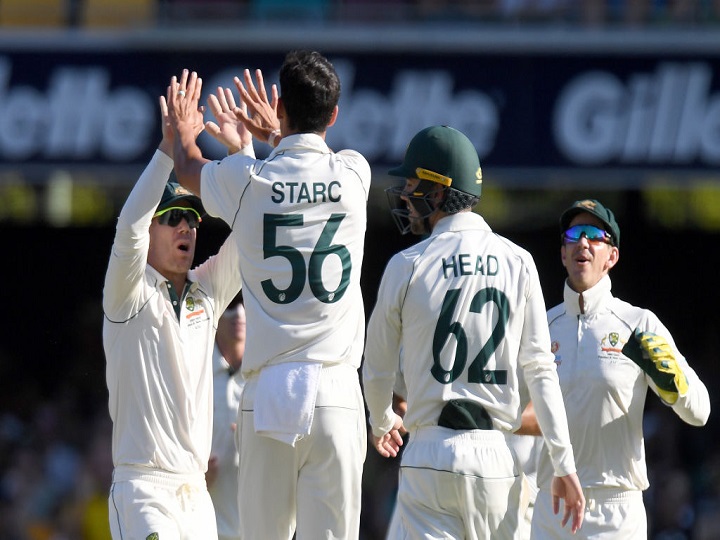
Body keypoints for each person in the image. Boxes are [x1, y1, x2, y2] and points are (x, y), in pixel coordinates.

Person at [168, 50, 370, 540]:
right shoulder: (354, 174)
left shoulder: (247, 182)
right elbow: (304, 162)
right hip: (337, 391)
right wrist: (272, 135)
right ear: (335, 115)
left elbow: (187, 167)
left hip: (269, 390)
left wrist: (182, 128)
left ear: (280, 106)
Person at [362, 125, 585, 539]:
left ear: (440, 191)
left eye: (413, 184)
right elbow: (541, 371)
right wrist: (564, 462)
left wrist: (381, 423)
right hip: (495, 458)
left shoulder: (406, 265)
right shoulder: (518, 261)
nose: (407, 196)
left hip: (427, 453)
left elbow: (374, 370)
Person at [102, 86, 243, 540]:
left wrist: (245, 155)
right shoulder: (128, 291)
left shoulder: (207, 292)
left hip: (197, 496)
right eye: (173, 216)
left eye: (193, 218)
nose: (186, 225)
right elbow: (128, 226)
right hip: (143, 491)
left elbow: (254, 238)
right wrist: (169, 147)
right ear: (153, 229)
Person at [531, 198, 711, 539]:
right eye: (573, 234)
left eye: (594, 234)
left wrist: (674, 383)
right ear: (563, 254)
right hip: (551, 507)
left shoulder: (638, 323)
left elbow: (699, 412)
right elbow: (515, 410)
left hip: (616, 511)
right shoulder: (540, 326)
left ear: (611, 256)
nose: (582, 242)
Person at [207, 292, 246, 540]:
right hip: (205, 528)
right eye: (231, 304)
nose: (239, 313)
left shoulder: (267, 374)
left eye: (246, 303)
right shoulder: (193, 371)